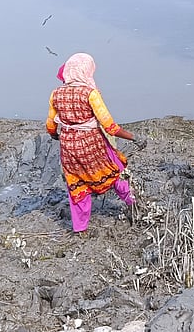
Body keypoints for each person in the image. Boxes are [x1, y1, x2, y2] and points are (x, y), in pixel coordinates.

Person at [47, 52, 137, 234]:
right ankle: (133, 204)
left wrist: (56, 135)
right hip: (91, 144)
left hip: (68, 148)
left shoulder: (56, 94)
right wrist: (133, 137)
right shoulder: (90, 94)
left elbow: (50, 125)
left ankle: (80, 228)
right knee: (113, 171)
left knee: (76, 185)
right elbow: (110, 127)